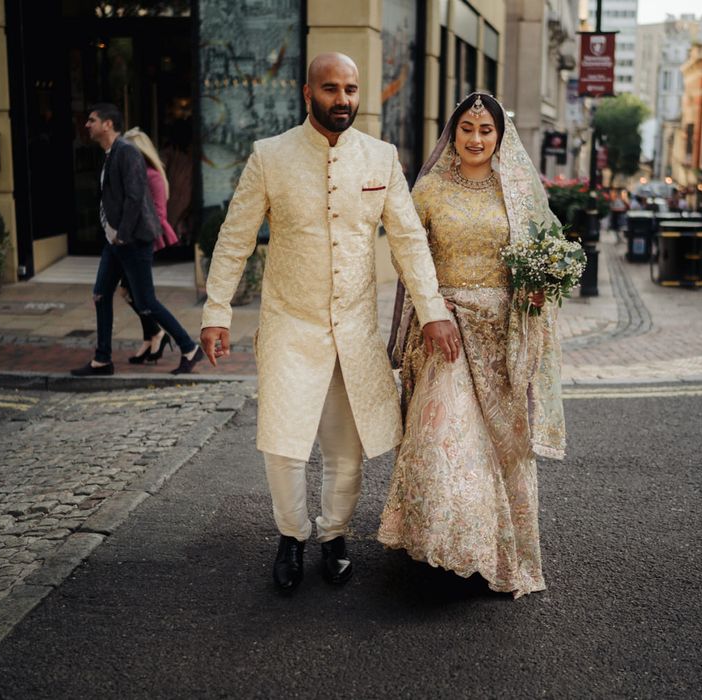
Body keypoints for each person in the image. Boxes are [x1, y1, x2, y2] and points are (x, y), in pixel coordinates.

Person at [200, 53, 459, 593]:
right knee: (284, 444)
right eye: (331, 89)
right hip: (290, 325)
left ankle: (334, 534)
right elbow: (234, 239)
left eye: (351, 89)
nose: (343, 99)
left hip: (355, 330)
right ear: (307, 92)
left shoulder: (381, 157)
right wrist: (217, 312)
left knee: (347, 447)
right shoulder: (269, 157)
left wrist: (433, 310)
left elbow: (409, 241)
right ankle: (291, 537)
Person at [378, 93, 566, 599]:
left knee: (498, 446)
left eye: (486, 130)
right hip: (447, 331)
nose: (476, 138)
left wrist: (536, 284)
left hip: (502, 334)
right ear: (453, 131)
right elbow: (406, 254)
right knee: (447, 433)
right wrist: (435, 307)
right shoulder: (431, 189)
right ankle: (443, 543)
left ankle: (490, 550)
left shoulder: (518, 192)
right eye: (467, 128)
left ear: (500, 137)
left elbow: (543, 252)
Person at [70, 103, 203, 377]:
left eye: (92, 120)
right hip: (115, 243)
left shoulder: (127, 153)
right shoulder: (110, 154)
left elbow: (134, 196)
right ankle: (102, 359)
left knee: (146, 302)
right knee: (100, 294)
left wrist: (122, 234)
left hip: (131, 241)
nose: (87, 125)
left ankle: (189, 347)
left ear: (108, 124)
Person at [120, 126, 180, 365]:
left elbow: (158, 212)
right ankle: (152, 336)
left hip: (145, 238)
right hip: (136, 237)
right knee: (130, 292)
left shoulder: (152, 175)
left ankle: (158, 334)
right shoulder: (138, 173)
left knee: (139, 294)